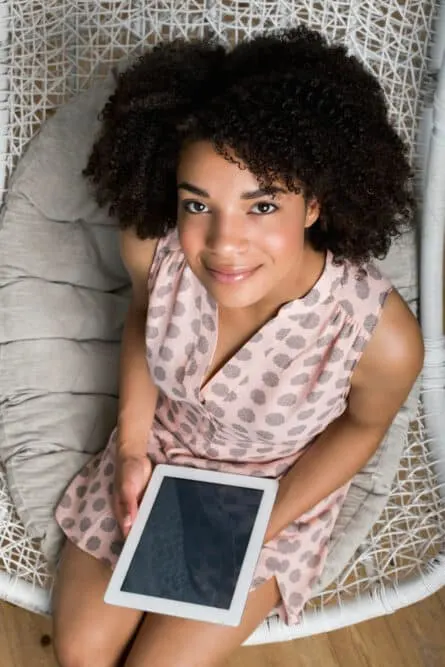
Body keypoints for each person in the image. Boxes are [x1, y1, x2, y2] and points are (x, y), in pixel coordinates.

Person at [52, 25, 424, 667]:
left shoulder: (380, 337)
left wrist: (261, 525)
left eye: (261, 206)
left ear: (313, 204)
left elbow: (362, 428)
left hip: (269, 491)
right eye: (199, 205)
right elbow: (144, 323)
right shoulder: (155, 251)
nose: (224, 244)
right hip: (159, 457)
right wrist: (135, 449)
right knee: (82, 655)